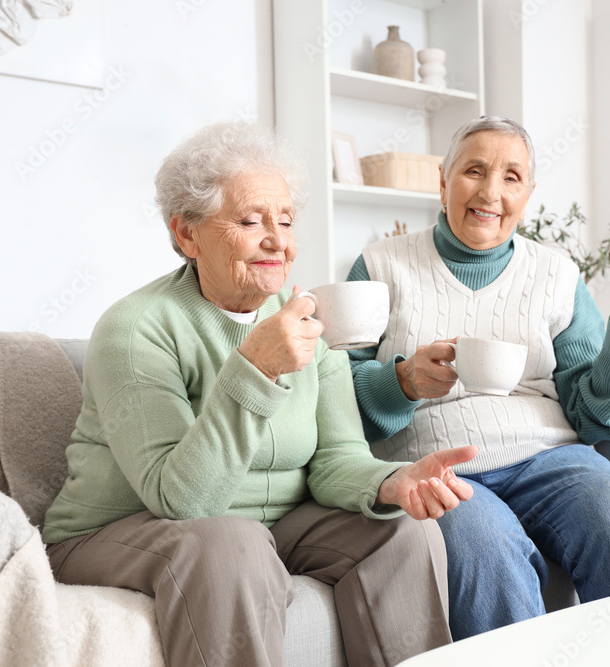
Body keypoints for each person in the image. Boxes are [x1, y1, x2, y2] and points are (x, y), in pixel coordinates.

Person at [41, 122, 477, 667]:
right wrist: (255, 369)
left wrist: (393, 481)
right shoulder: (136, 329)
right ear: (187, 235)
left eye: (286, 221)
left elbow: (336, 460)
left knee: (402, 534)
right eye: (250, 221)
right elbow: (181, 502)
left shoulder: (310, 320)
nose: (278, 239)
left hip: (273, 524)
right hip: (120, 530)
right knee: (230, 545)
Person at [345, 116, 610, 640]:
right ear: (442, 180)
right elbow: (337, 398)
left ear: (528, 194)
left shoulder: (557, 275)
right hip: (438, 464)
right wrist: (405, 380)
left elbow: (600, 418)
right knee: (486, 551)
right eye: (473, 171)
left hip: (549, 459)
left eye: (511, 177)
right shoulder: (380, 266)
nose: (490, 192)